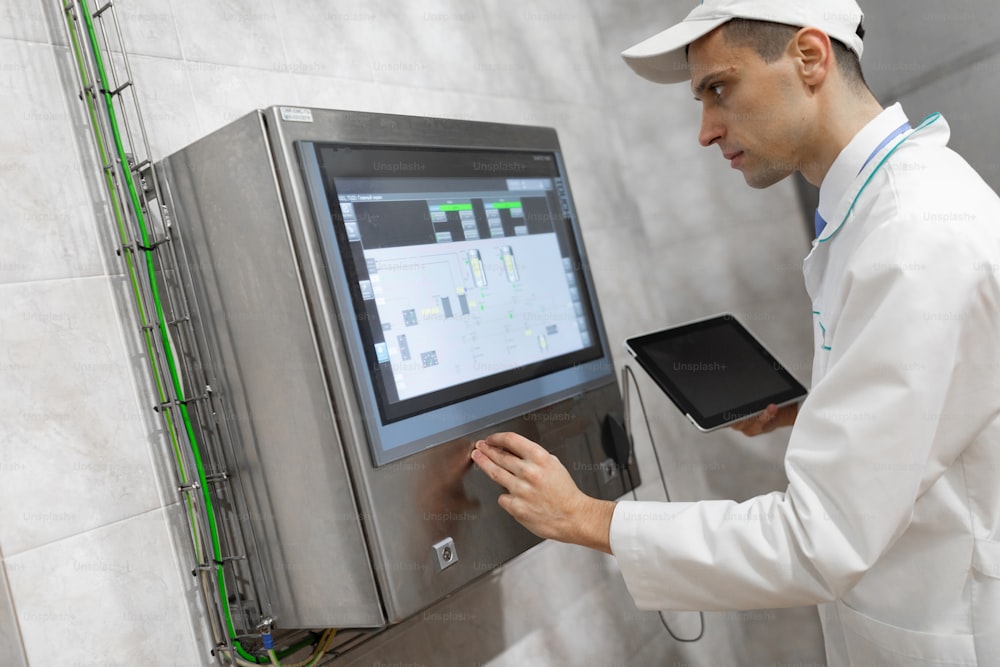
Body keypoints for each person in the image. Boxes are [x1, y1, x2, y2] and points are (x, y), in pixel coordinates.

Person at [470, 1, 1000, 665]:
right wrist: (818, 412)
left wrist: (586, 516)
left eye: (719, 88)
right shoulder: (882, 210)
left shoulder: (914, 234)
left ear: (811, 58)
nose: (705, 129)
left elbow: (818, 537)